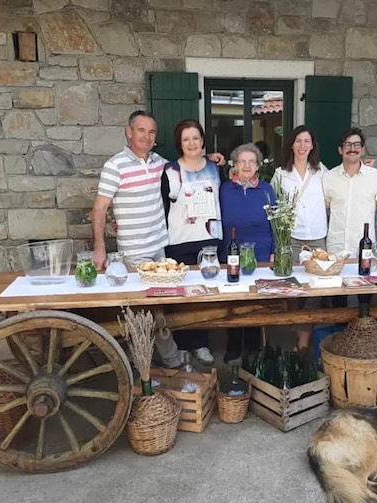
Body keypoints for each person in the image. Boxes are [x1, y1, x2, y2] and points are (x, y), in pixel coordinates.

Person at [90, 110, 222, 368]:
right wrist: (99, 247)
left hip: (160, 248)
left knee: (162, 308)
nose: (147, 136)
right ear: (129, 132)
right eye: (141, 130)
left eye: (151, 132)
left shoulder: (160, 163)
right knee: (138, 310)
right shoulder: (114, 166)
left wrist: (208, 158)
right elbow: (99, 209)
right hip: (133, 251)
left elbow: (189, 162)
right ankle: (140, 363)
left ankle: (170, 359)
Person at [161, 119, 223, 366]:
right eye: (186, 139)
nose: (191, 143)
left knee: (204, 294)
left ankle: (201, 343)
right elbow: (164, 207)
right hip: (179, 240)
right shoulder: (170, 171)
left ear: (202, 141)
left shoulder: (216, 168)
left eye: (195, 138)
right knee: (181, 297)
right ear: (180, 143)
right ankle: (183, 345)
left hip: (209, 239)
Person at [271, 125, 327, 352]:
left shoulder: (322, 171)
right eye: (298, 141)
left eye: (307, 141)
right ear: (291, 145)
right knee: (292, 287)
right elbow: (273, 206)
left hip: (317, 237)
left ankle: (303, 342)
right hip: (291, 237)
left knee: (314, 289)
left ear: (312, 145)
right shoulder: (280, 174)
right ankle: (299, 326)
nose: (302, 145)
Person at [219, 143, 276, 363]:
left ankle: (252, 347)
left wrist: (273, 252)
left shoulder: (266, 190)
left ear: (258, 166)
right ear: (234, 164)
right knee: (232, 301)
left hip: (260, 253)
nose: (246, 165)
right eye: (242, 161)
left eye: (251, 161)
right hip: (231, 252)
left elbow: (275, 223)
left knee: (254, 301)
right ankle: (233, 345)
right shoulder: (224, 189)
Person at [324, 127, 377, 256]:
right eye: (347, 144)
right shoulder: (328, 177)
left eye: (357, 145)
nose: (352, 149)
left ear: (363, 149)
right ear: (340, 149)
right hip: (335, 252)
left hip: (365, 252)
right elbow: (320, 210)